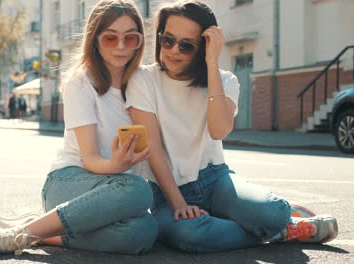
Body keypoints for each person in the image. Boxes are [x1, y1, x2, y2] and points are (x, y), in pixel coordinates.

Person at [125, 0, 338, 253]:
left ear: (203, 48)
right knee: (190, 236)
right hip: (164, 192)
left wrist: (212, 64)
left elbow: (219, 130)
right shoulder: (143, 79)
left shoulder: (225, 80)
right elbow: (154, 149)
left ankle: (275, 221)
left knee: (273, 213)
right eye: (167, 40)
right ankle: (283, 230)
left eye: (186, 45)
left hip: (214, 180)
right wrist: (179, 203)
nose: (174, 51)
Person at [0, 0, 158, 258]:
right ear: (95, 40)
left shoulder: (141, 83)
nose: (121, 47)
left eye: (130, 38)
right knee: (138, 189)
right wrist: (116, 165)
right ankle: (17, 236)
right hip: (68, 182)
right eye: (111, 38)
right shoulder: (81, 82)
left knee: (144, 231)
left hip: (111, 191)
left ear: (140, 40)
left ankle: (45, 227)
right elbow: (89, 158)